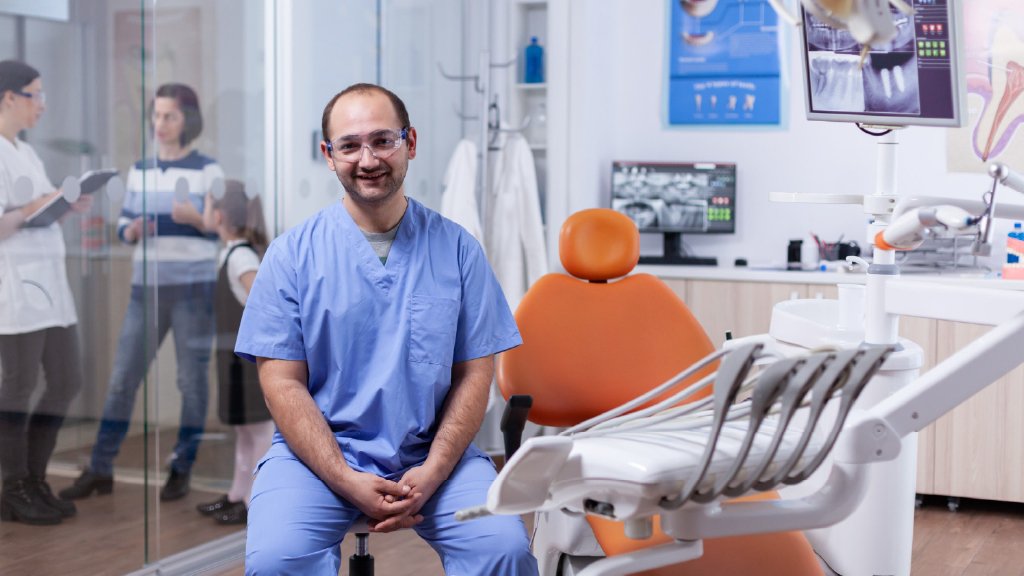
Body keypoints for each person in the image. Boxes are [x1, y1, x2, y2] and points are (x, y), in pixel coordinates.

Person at [236, 83, 538, 574]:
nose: (368, 158)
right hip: (316, 457)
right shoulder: (291, 257)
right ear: (328, 156)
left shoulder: (459, 251)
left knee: (501, 548)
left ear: (410, 143)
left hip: (434, 452)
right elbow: (280, 382)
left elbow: (475, 376)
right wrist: (342, 476)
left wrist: (436, 468)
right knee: (275, 560)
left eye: (383, 140)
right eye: (349, 145)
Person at [60, 83, 222, 502]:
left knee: (191, 383)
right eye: (156, 115)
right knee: (121, 382)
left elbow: (223, 226)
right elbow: (122, 224)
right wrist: (130, 230)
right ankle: (100, 467)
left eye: (169, 116)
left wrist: (196, 219)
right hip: (144, 291)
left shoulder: (208, 170)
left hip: (193, 292)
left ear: (188, 119)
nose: (160, 124)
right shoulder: (141, 170)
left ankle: (181, 468)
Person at [0, 60, 93, 525]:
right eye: (35, 94)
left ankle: (35, 478)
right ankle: (12, 486)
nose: (43, 103)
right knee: (16, 391)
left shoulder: (27, 153)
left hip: (50, 290)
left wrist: (63, 205)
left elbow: (34, 216)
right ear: (9, 97)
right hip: (15, 293)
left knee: (66, 382)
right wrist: (37, 204)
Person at [194, 180, 273, 525]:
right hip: (234, 361)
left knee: (258, 433)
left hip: (247, 363)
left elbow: (262, 300)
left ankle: (256, 500)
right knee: (244, 432)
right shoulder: (230, 252)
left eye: (207, 206)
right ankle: (236, 494)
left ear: (220, 215)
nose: (204, 213)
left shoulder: (240, 256)